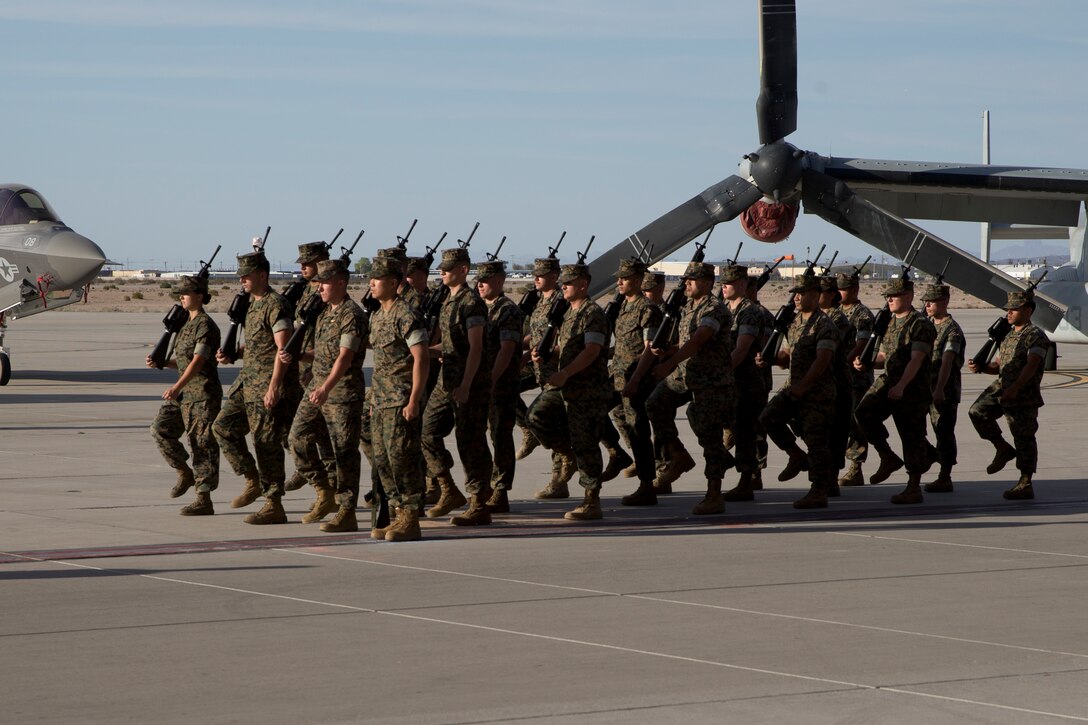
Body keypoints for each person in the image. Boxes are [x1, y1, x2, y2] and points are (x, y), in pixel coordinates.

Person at [213, 250, 301, 524]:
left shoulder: (276, 305)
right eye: (240, 276)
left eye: (247, 275)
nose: (242, 280)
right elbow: (257, 345)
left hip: (267, 386)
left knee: (266, 442)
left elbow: (282, 349)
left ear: (262, 275)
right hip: (247, 383)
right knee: (222, 427)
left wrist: (274, 386)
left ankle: (273, 502)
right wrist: (234, 353)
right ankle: (252, 479)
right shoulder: (253, 305)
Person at [281, 259, 367, 532]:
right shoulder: (325, 313)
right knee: (297, 437)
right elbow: (325, 353)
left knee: (344, 453)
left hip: (341, 393)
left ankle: (346, 510)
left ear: (341, 283)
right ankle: (323, 490)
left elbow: (345, 357)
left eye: (325, 283)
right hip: (317, 388)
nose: (319, 288)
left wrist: (325, 388)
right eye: (318, 283)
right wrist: (298, 356)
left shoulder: (351, 314)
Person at [644, 261, 735, 515]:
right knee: (655, 403)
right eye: (685, 280)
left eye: (692, 280)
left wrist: (670, 362)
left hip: (711, 380)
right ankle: (678, 454)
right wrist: (668, 351)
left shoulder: (714, 309)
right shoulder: (688, 307)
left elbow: (698, 340)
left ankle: (714, 493)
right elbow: (685, 342)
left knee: (709, 435)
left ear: (707, 283)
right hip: (686, 375)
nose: (686, 284)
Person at [526, 262, 611, 520]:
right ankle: (566, 452)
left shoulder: (592, 313)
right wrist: (548, 356)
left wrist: (565, 373)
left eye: (568, 283)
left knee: (586, 442)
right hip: (565, 385)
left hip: (587, 389)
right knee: (535, 417)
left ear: (583, 285)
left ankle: (591, 501)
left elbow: (592, 351)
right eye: (562, 282)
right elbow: (568, 347)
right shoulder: (567, 313)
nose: (563, 286)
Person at [421, 246, 494, 525]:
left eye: (448, 269)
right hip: (447, 379)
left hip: (469, 382)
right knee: (427, 431)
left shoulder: (471, 303)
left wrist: (465, 384)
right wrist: (427, 351)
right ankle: (448, 488)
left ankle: (478, 504)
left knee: (470, 440)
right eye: (441, 268)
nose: (442, 272)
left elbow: (476, 349)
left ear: (463, 270)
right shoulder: (448, 302)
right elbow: (451, 346)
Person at [852, 276, 936, 504]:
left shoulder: (920, 324)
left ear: (908, 297)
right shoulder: (890, 323)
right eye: (888, 296)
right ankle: (887, 456)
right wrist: (867, 361)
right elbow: (885, 356)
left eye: (894, 295)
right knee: (862, 413)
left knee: (911, 435)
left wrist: (901, 385)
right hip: (889, 382)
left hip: (912, 388)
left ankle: (913, 486)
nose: (889, 299)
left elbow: (917, 359)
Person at [757, 274, 838, 509]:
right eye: (796, 293)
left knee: (816, 440)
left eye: (803, 293)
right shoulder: (794, 323)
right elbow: (786, 355)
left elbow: (822, 360)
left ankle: (819, 490)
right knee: (767, 417)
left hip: (817, 393)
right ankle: (795, 454)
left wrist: (803, 386)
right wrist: (769, 358)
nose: (798, 297)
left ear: (816, 295)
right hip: (794, 388)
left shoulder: (824, 325)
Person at [366, 257, 430, 540]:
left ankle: (411, 517)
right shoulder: (378, 316)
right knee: (382, 461)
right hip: (380, 401)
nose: (371, 283)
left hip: (401, 400)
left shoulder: (407, 314)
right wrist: (372, 401)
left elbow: (421, 358)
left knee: (403, 458)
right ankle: (396, 512)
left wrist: (414, 399)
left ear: (394, 283)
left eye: (377, 279)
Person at [148, 275, 222, 515]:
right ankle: (184, 472)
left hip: (202, 394)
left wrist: (177, 386)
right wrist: (162, 363)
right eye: (179, 294)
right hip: (184, 394)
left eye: (186, 293)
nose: (181, 297)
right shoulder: (185, 325)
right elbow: (184, 362)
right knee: (160, 429)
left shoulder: (205, 325)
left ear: (200, 296)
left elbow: (199, 361)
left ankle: (204, 498)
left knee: (202, 444)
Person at [967, 288, 1049, 500]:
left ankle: (1025, 482)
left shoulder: (1035, 335)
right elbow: (999, 365)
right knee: (977, 411)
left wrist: (1015, 388)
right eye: (1008, 309)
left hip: (1024, 393)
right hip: (1003, 386)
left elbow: (1032, 365)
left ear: (1028, 311)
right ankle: (1002, 447)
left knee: (1023, 437)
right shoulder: (1009, 335)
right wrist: (982, 368)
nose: (1009, 313)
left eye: (1015, 309)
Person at [284, 241, 338, 499]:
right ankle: (320, 479)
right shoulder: (306, 291)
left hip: (320, 369)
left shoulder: (329, 295)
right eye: (302, 263)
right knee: (308, 429)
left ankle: (333, 485)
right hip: (302, 367)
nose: (303, 267)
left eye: (309, 263)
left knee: (324, 431)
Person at [607, 258, 662, 506]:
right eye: (619, 277)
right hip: (616, 377)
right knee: (594, 414)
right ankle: (618, 455)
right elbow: (622, 345)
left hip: (634, 381)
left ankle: (647, 485)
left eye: (625, 278)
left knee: (638, 431)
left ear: (638, 281)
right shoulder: (623, 307)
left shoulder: (647, 309)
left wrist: (636, 380)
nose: (619, 281)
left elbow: (650, 349)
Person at [523, 255, 577, 498]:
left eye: (541, 275)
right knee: (556, 426)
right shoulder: (538, 302)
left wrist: (550, 354)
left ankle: (565, 473)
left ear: (554, 277)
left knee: (542, 419)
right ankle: (559, 482)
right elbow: (536, 335)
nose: (536, 278)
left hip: (558, 375)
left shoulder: (561, 304)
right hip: (540, 374)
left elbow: (567, 341)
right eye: (535, 274)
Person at [475, 259, 524, 513]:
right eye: (478, 281)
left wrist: (492, 380)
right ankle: (484, 485)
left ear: (498, 282)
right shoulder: (480, 308)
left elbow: (507, 350)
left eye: (484, 281)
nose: (480, 285)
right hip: (481, 383)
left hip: (501, 384)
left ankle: (500, 489)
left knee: (500, 435)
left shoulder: (507, 310)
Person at [718, 265, 769, 502]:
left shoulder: (749, 312)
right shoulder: (724, 309)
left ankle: (746, 480)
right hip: (729, 383)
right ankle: (727, 461)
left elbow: (741, 349)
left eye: (728, 282)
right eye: (722, 282)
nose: (723, 286)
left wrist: (719, 372)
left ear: (741, 284)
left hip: (747, 383)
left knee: (745, 433)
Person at [922, 283, 965, 493]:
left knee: (944, 432)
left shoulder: (952, 331)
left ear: (945, 302)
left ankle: (945, 475)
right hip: (924, 388)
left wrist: (939, 389)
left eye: (932, 301)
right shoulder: (926, 324)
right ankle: (931, 455)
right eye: (925, 301)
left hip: (944, 391)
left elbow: (947, 362)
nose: (927, 305)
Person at [837, 270, 876, 487]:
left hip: (856, 378)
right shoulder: (834, 311)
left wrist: (844, 362)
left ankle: (856, 468)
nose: (839, 293)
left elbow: (862, 343)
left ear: (854, 290)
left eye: (842, 289)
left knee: (855, 423)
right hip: (837, 376)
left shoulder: (862, 314)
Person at [817, 275, 854, 496]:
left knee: (835, 433)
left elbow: (824, 353)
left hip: (836, 383)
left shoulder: (836, 320)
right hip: (818, 384)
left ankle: (829, 478)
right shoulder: (815, 317)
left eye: (819, 291)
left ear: (832, 295)